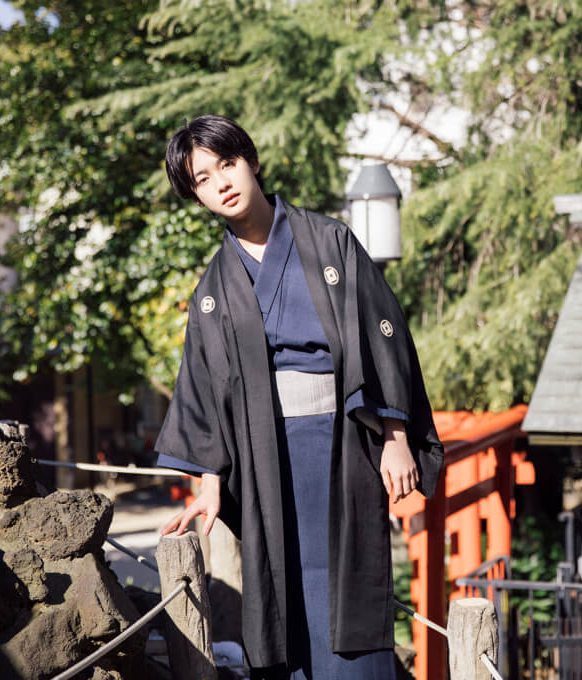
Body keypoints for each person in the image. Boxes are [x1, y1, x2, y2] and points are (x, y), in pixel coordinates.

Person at [152, 115, 444, 679]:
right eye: (204, 178)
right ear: (197, 195)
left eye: (228, 164)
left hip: (340, 448)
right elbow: (207, 389)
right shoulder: (213, 289)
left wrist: (396, 437)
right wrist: (211, 484)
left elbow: (383, 337)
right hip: (264, 459)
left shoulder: (328, 241)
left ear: (252, 161)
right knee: (278, 601)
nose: (222, 183)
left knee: (349, 593)